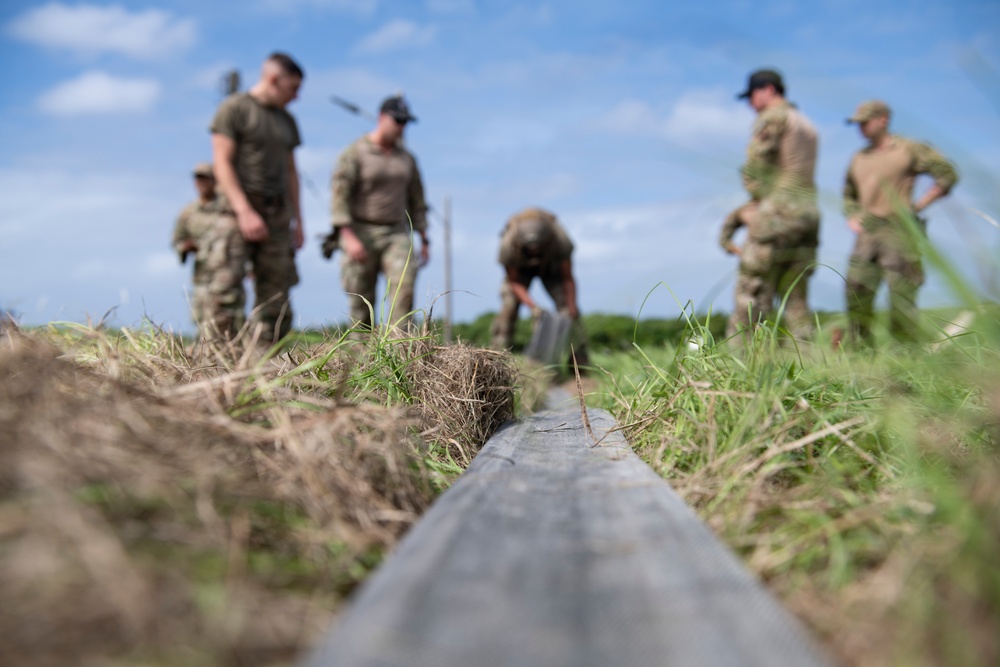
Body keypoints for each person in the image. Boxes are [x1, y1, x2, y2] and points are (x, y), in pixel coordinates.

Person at [843, 100, 958, 344]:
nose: (860, 128)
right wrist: (852, 215)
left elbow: (947, 174)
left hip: (900, 230)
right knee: (856, 291)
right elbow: (848, 193)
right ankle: (860, 353)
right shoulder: (858, 157)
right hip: (867, 235)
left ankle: (905, 356)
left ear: (883, 119)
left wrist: (919, 205)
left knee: (901, 296)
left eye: (865, 122)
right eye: (858, 124)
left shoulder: (909, 148)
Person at [210, 52, 305, 346]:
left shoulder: (287, 120)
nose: (296, 97)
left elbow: (291, 172)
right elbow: (221, 163)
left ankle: (267, 370)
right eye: (293, 88)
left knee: (276, 299)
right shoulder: (234, 109)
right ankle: (219, 370)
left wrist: (298, 220)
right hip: (236, 213)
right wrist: (244, 211)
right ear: (274, 80)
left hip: (277, 216)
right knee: (225, 294)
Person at [727, 69, 821, 341]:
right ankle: (810, 367)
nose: (750, 104)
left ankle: (741, 367)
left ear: (767, 90)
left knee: (751, 294)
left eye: (752, 95)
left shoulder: (773, 117)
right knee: (796, 300)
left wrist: (757, 199)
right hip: (808, 214)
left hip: (778, 212)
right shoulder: (806, 124)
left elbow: (755, 167)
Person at [330, 95, 429, 330]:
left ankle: (399, 353)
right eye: (398, 121)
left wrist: (424, 237)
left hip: (396, 233)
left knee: (404, 291)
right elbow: (339, 196)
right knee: (360, 301)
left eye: (405, 122)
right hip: (360, 231)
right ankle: (360, 356)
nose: (402, 127)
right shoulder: (355, 153)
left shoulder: (407, 158)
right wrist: (347, 236)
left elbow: (417, 198)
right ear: (381, 118)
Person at [490, 207, 589, 367]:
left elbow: (567, 278)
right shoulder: (508, 244)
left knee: (570, 313)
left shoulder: (560, 239)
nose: (533, 250)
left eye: (537, 247)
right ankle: (495, 363)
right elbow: (514, 282)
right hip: (520, 272)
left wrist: (571, 307)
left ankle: (580, 366)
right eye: (530, 247)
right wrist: (533, 307)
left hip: (551, 268)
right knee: (508, 310)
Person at [171, 162, 245, 342]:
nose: (202, 182)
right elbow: (177, 241)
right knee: (203, 320)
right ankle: (208, 362)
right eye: (198, 178)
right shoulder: (188, 213)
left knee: (229, 321)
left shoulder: (230, 209)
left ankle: (233, 359)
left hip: (229, 276)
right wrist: (185, 247)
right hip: (203, 278)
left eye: (206, 178)